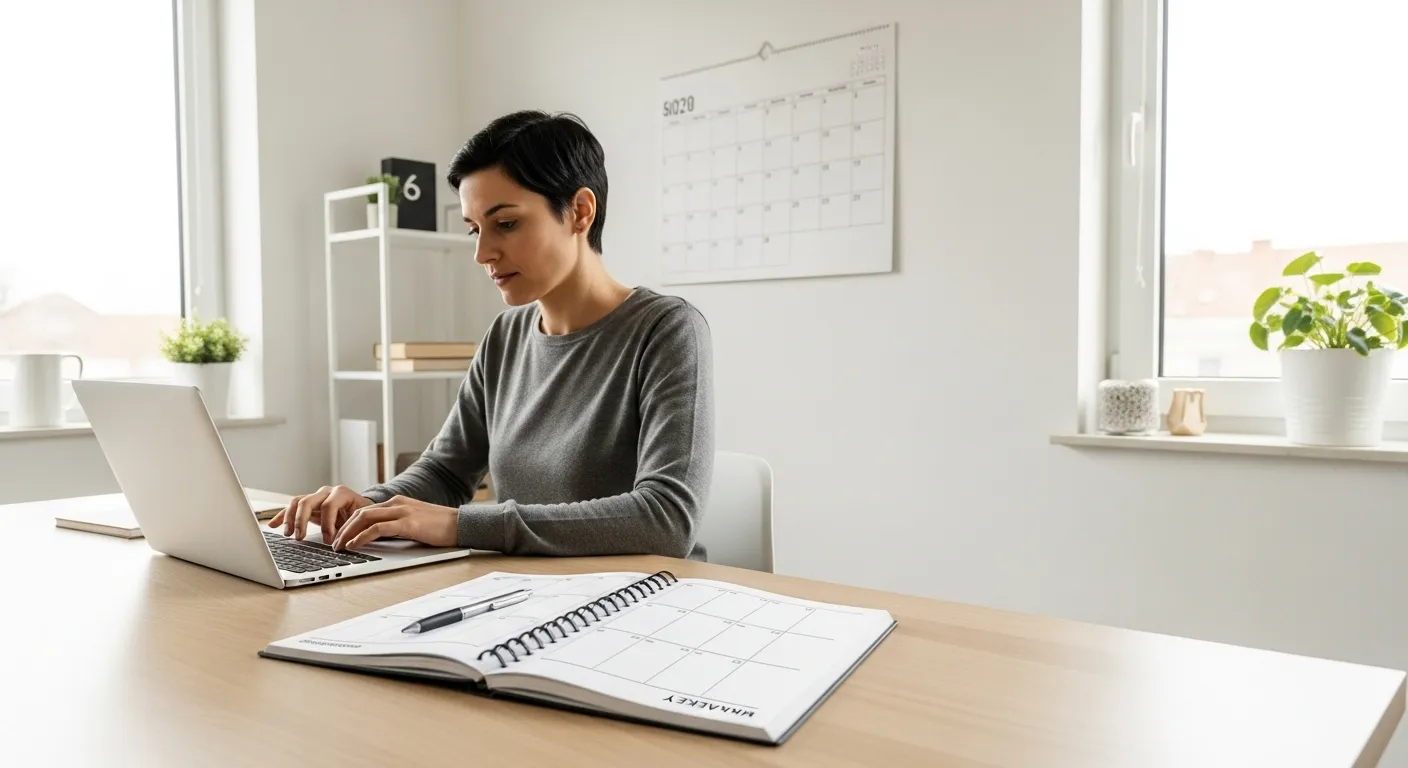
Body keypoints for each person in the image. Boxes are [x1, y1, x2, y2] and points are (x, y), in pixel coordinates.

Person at [268, 110, 715, 559]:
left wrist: (462, 525)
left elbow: (666, 520)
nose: (482, 252)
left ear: (580, 212)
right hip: (526, 592)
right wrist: (370, 506)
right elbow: (445, 473)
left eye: (505, 224)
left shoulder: (667, 330)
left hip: (639, 601)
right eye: (475, 229)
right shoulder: (506, 335)